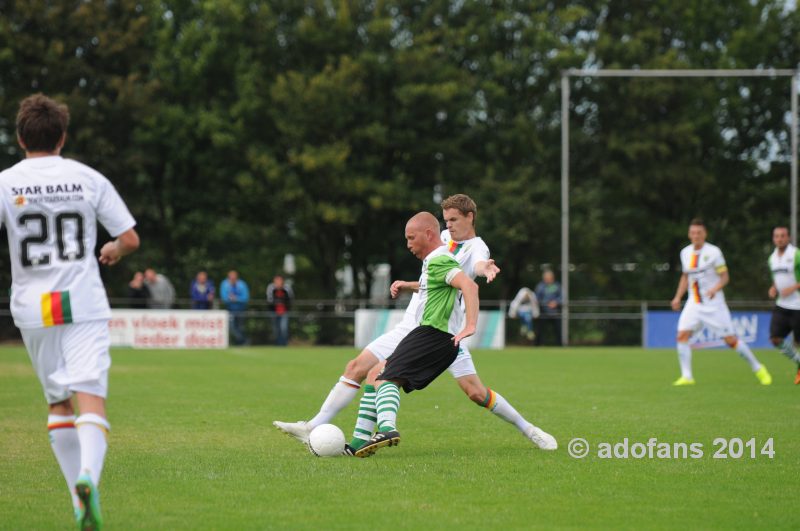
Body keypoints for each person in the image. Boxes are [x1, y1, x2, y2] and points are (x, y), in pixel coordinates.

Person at [275, 194, 556, 453]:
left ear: (470, 217)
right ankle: (326, 430)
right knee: (361, 369)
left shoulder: (476, 247)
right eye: (446, 220)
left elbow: (475, 273)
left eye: (455, 219)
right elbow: (433, 281)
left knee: (475, 392)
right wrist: (409, 285)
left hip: (444, 330)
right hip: (414, 324)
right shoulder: (442, 238)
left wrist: (486, 269)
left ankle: (528, 429)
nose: (449, 225)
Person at [1, 94, 140, 530]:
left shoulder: (5, 182)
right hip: (82, 301)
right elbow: (130, 238)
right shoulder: (86, 177)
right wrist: (114, 249)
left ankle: (77, 500)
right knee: (90, 398)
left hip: (32, 308)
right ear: (62, 137)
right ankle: (87, 480)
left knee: (58, 402)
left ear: (21, 137)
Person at [670, 218, 771, 386]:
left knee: (730, 340)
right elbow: (685, 276)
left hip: (714, 305)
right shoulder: (685, 253)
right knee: (682, 335)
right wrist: (677, 297)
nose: (696, 236)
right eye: (693, 233)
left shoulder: (714, 252)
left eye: (699, 233)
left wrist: (714, 289)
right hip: (693, 303)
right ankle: (687, 376)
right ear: (689, 234)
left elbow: (725, 277)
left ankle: (758, 368)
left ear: (705, 234)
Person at [767, 226, 800, 384]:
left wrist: (792, 288)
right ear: (773, 239)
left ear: (788, 238)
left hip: (798, 305)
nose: (779, 239)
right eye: (777, 236)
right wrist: (774, 288)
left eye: (782, 236)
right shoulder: (772, 258)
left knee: (798, 342)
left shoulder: (796, 254)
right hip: (782, 305)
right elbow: (777, 278)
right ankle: (799, 361)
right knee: (775, 339)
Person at [220, 270, 249, 345]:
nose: (232, 279)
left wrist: (236, 299)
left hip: (241, 309)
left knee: (241, 327)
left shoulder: (242, 284)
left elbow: (245, 298)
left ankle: (241, 343)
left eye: (234, 277)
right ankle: (242, 341)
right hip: (229, 309)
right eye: (231, 277)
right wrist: (230, 299)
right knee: (231, 327)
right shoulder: (224, 284)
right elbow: (224, 298)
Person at [534, 270, 562, 346]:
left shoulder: (557, 286)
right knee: (540, 329)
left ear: (552, 278)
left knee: (558, 329)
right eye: (546, 278)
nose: (547, 280)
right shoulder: (540, 286)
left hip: (555, 311)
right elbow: (536, 298)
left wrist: (556, 302)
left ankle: (560, 345)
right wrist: (543, 303)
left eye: (549, 278)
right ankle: (537, 345)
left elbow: (562, 297)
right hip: (543, 311)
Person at [266, 275, 293, 346]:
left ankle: (284, 344)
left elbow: (290, 300)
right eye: (276, 281)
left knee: (284, 328)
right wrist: (277, 302)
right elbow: (269, 300)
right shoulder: (271, 288)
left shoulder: (287, 288)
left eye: (279, 281)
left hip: (284, 312)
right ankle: (278, 344)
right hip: (274, 312)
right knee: (276, 329)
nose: (278, 283)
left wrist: (284, 304)